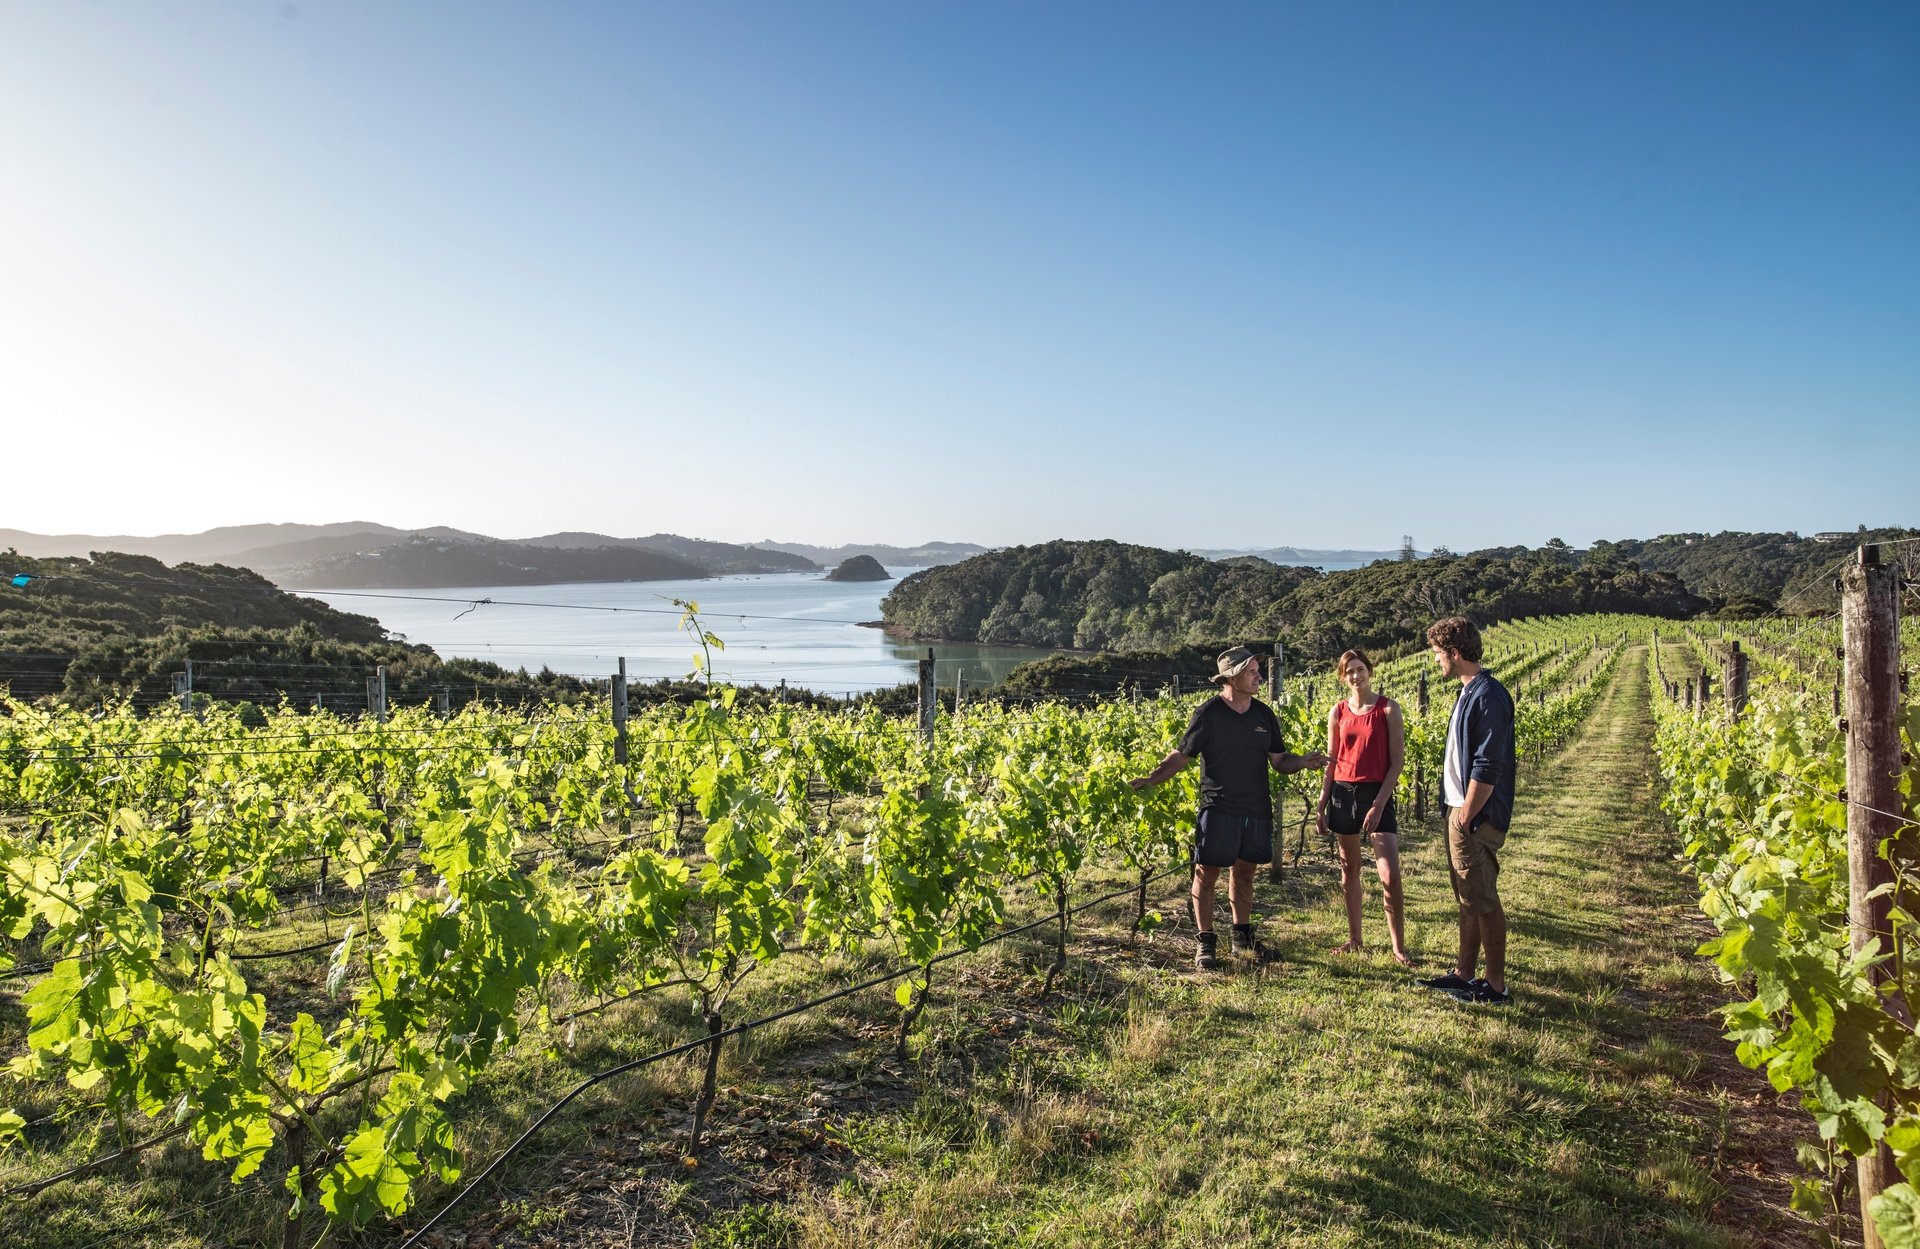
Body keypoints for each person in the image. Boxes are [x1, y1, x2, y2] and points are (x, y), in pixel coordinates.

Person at [1131, 646, 1329, 968]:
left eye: (1257, 670)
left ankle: (1241, 939)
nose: (1259, 677)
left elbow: (1279, 761)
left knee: (1246, 872)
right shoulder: (1208, 714)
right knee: (1206, 873)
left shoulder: (1264, 715)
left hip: (1256, 808)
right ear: (1232, 677)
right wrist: (1152, 779)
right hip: (1218, 806)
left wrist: (1303, 762)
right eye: (1252, 671)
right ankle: (1205, 943)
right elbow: (1182, 756)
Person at [1417, 616, 1516, 1005]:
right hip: (1459, 809)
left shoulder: (1488, 695)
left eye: (1439, 654)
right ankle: (1464, 974)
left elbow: (1487, 764)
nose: (1437, 661)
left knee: (1484, 899)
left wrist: (1467, 814)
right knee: (1468, 896)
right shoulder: (1470, 691)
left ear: (1455, 653)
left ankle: (1494, 986)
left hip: (1471, 815)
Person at [1315, 648, 1411, 966]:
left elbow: (1396, 763)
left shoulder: (1388, 710)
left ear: (1370, 671)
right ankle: (1355, 939)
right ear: (1343, 677)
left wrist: (1379, 804)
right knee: (1349, 871)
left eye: (1360, 669)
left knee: (1390, 875)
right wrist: (1321, 803)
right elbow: (1331, 761)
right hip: (1343, 793)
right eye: (1350, 671)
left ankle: (1398, 946)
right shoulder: (1338, 712)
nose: (1356, 675)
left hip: (1376, 793)